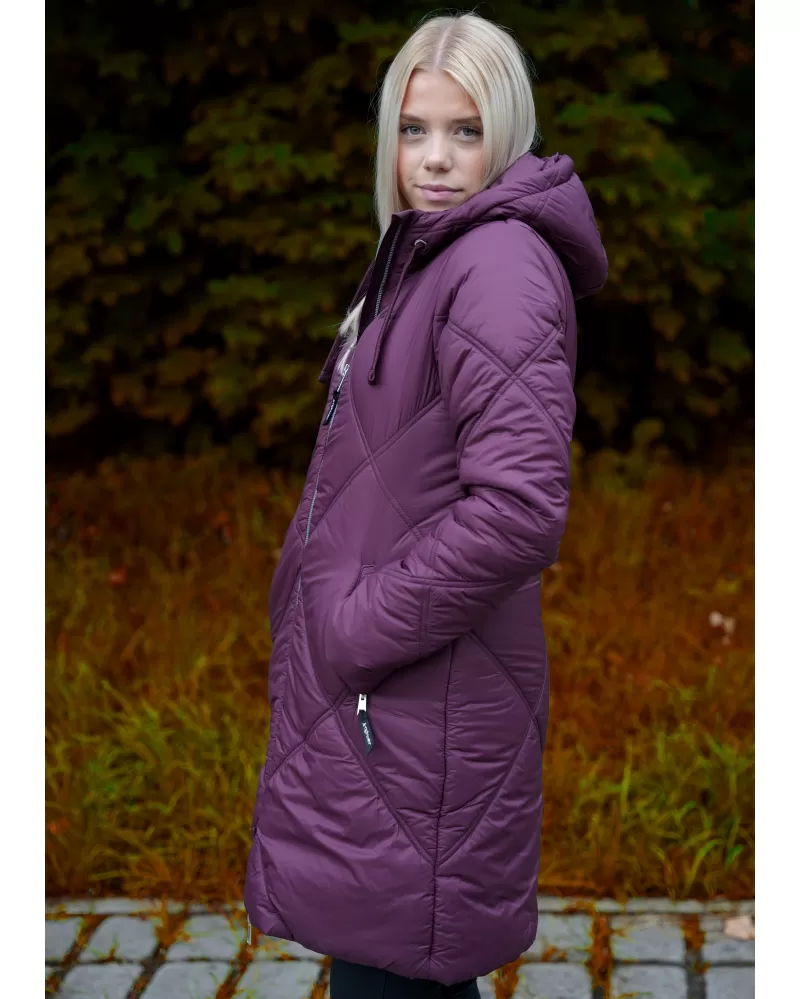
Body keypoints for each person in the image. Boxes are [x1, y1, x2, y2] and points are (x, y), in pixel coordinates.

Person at [244, 10, 607, 998]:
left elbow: (518, 507)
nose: (435, 158)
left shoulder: (496, 266)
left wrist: (354, 628)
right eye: (414, 129)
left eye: (464, 130)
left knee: (391, 974)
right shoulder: (431, 256)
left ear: (506, 132)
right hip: (393, 709)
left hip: (416, 706)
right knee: (391, 970)